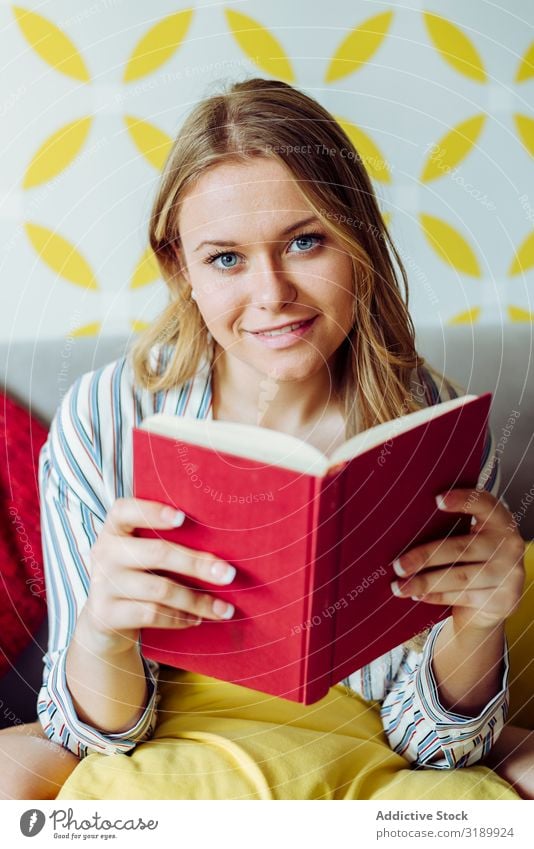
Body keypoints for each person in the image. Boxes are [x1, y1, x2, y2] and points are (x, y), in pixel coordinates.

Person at [0, 77, 530, 800]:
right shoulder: (105, 418)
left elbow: (435, 747)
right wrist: (102, 632)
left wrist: (478, 625)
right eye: (226, 259)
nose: (272, 293)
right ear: (180, 268)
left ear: (359, 242)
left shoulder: (435, 424)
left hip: (375, 763)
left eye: (306, 241)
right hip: (170, 753)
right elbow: (95, 735)